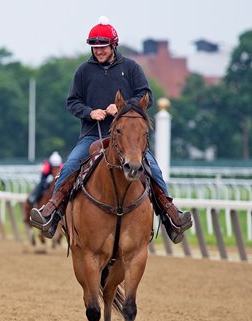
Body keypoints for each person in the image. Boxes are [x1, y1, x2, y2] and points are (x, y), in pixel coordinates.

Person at [30, 16, 192, 244]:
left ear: (113, 45)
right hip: (91, 135)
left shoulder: (132, 68)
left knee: (154, 169)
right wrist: (89, 112)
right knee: (70, 167)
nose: (98, 51)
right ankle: (51, 215)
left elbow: (147, 96)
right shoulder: (83, 71)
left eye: (102, 47)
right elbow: (72, 101)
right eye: (94, 48)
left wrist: (123, 106)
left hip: (128, 139)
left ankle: (171, 217)